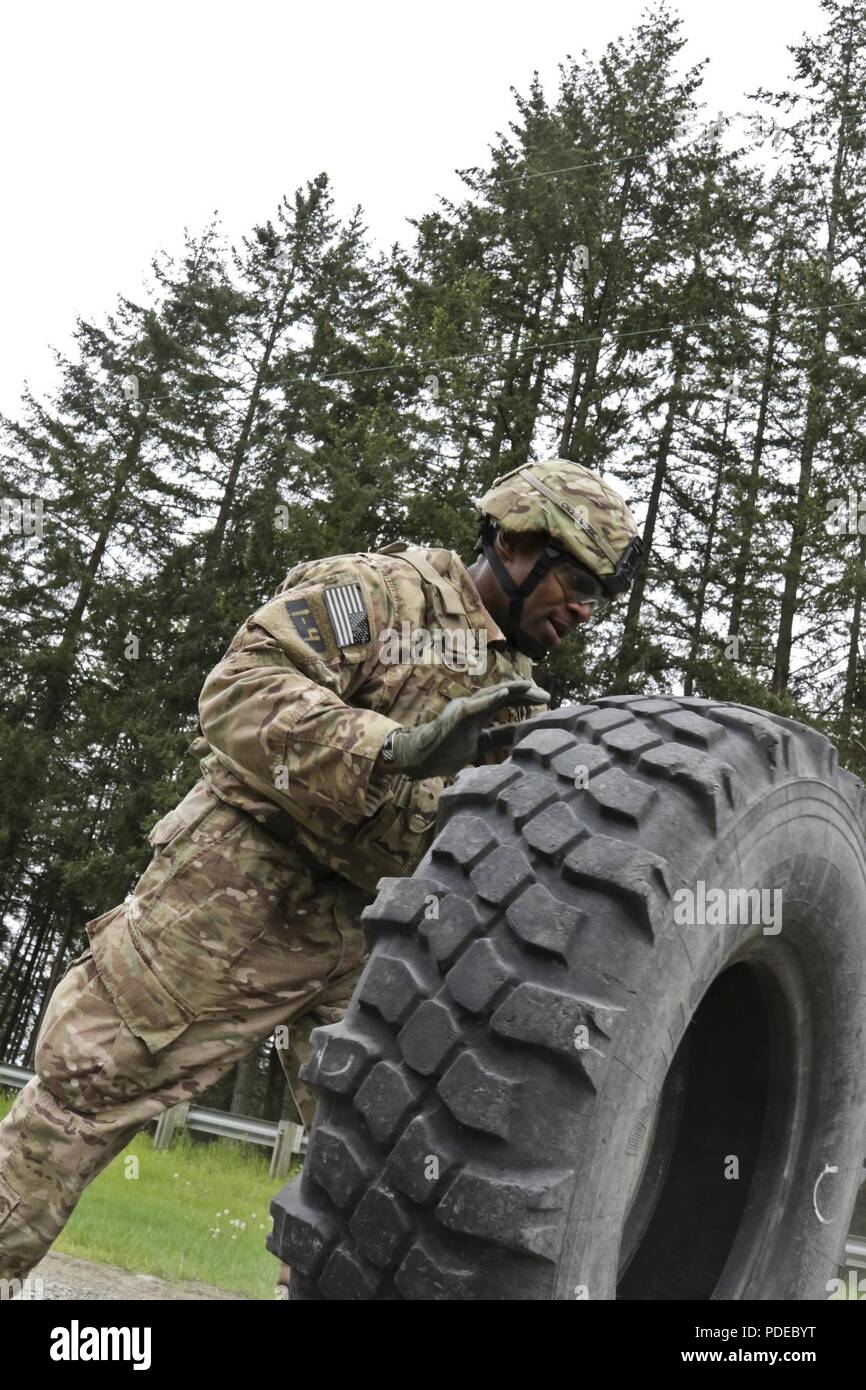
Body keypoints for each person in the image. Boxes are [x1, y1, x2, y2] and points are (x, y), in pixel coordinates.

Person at [0, 458, 643, 1289]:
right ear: (516, 543)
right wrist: (393, 747)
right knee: (87, 1091)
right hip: (234, 894)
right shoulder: (380, 594)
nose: (583, 611)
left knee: (382, 1181)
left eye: (598, 597)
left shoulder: (516, 694)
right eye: (573, 583)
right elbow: (237, 693)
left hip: (375, 941)